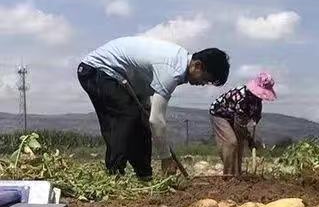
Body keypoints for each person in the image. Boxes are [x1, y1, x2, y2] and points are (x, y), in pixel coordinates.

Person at [77, 36, 230, 179]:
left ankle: (144, 176)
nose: (203, 84)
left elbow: (142, 80)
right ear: (197, 66)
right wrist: (166, 158)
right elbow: (156, 121)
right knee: (126, 116)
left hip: (119, 77)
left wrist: (146, 106)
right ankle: (114, 174)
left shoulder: (179, 63)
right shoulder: (172, 70)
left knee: (140, 121)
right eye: (205, 79)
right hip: (96, 70)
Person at [210, 72, 277, 176]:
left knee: (240, 143)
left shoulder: (257, 102)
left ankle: (237, 174)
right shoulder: (242, 97)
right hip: (219, 114)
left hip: (235, 118)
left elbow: (253, 121)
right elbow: (239, 125)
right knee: (231, 142)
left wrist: (253, 138)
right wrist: (249, 139)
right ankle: (229, 176)